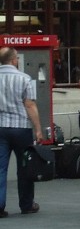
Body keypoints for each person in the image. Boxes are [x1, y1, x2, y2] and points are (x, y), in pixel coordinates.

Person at [0, 46, 47, 217]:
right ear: (13, 60)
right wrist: (38, 129)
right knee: (25, 166)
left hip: (0, 128)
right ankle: (27, 204)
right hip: (21, 127)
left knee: (0, 168)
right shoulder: (24, 78)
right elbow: (30, 105)